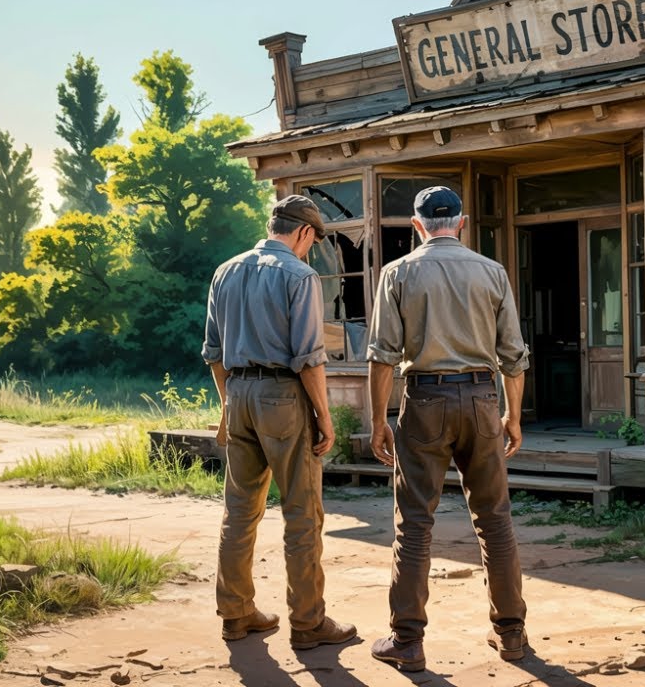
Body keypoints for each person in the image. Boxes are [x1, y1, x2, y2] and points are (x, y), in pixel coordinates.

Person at [365, 186, 530, 672]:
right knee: (495, 520)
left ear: (417, 226)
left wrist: (379, 420)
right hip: (482, 399)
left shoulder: (398, 273)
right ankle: (512, 634)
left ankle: (408, 642)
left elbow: (382, 356)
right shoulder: (492, 272)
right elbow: (514, 357)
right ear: (461, 222)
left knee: (414, 524)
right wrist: (512, 417)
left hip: (425, 400)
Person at [201, 194, 356, 649]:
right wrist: (324, 417)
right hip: (282, 397)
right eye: (312, 241)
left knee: (239, 511)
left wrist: (228, 405)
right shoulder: (299, 274)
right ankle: (308, 624)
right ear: (304, 233)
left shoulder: (225, 271)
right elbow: (309, 358)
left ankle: (236, 614)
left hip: (239, 393)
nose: (310, 249)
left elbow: (213, 351)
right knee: (302, 514)